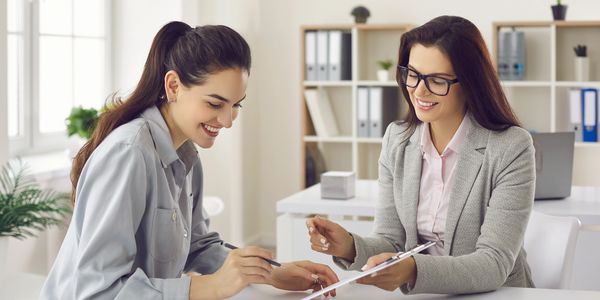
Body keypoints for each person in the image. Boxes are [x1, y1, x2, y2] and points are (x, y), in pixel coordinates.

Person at [41, 21, 338, 299]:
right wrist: (207, 287)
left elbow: (196, 246)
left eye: (236, 105)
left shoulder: (187, 155)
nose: (227, 120)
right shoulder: (129, 154)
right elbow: (98, 291)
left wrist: (271, 272)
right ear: (173, 87)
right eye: (214, 103)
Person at [306, 15, 536, 295]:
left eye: (437, 80)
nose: (419, 90)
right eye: (412, 75)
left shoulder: (511, 147)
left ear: (470, 82)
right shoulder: (397, 139)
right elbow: (391, 241)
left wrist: (414, 269)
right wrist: (351, 246)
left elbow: (494, 263)